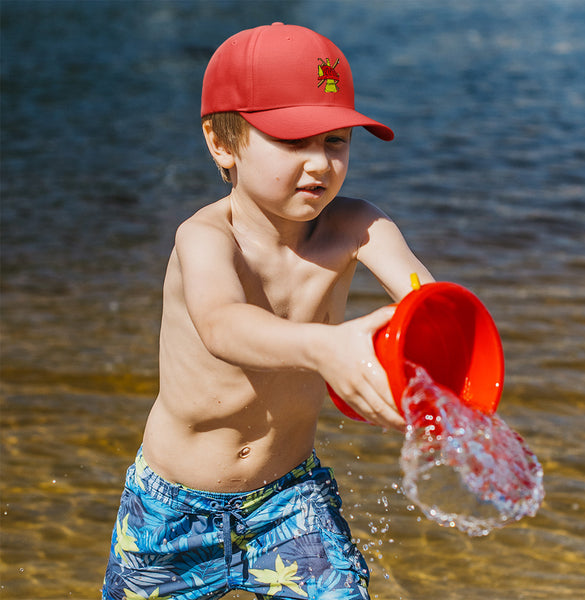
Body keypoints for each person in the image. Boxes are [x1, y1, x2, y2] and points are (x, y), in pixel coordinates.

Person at [102, 23, 433, 600]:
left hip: (289, 499)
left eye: (336, 141)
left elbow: (428, 302)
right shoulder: (205, 237)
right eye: (293, 141)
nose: (320, 164)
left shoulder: (357, 226)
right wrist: (328, 347)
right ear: (222, 143)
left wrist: (436, 391)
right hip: (170, 511)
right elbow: (222, 325)